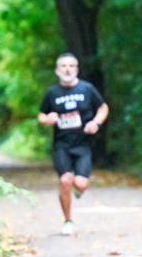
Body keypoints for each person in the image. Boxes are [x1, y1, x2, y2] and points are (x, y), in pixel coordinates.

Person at [38, 53, 109, 236]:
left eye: (71, 66)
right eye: (63, 66)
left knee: (81, 183)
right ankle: (68, 220)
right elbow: (41, 115)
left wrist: (96, 123)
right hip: (61, 145)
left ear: (76, 69)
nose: (67, 69)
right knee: (65, 180)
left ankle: (77, 190)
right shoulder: (52, 93)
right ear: (57, 70)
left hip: (83, 145)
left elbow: (103, 107)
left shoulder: (87, 88)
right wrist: (48, 119)